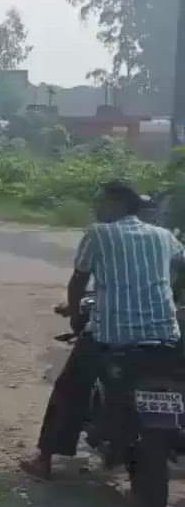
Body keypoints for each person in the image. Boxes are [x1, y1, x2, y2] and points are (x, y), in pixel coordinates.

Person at [20, 180, 183, 480]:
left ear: (119, 204)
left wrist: (76, 319)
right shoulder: (163, 236)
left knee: (69, 388)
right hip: (165, 336)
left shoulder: (99, 233)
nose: (95, 207)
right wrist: (171, 296)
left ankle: (44, 459)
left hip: (114, 338)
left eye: (101, 201)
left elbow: (79, 281)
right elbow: (182, 265)